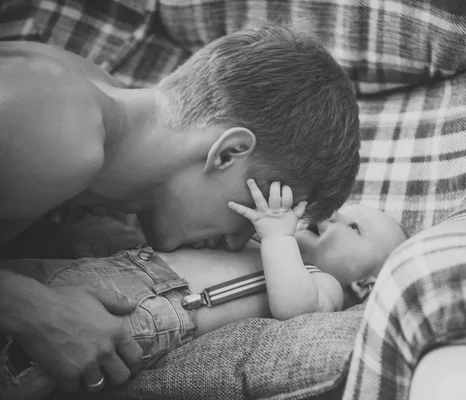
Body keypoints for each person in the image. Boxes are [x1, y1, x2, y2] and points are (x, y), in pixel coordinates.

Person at [0, 22, 360, 395]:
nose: (238, 243)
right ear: (228, 153)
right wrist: (34, 311)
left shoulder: (88, 104)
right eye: (256, 208)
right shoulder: (58, 128)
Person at [0, 181, 406, 400]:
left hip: (148, 310)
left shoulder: (325, 283)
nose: (335, 215)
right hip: (119, 269)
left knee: (25, 359)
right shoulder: (256, 243)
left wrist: (278, 239)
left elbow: (294, 312)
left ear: (365, 284)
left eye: (355, 227)